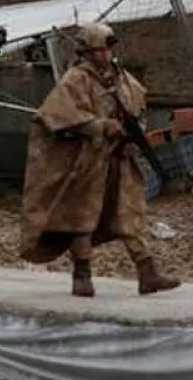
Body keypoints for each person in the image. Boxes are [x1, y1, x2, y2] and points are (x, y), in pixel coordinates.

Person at [19, 22, 181, 297]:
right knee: (82, 217)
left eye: (108, 49)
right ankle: (82, 275)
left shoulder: (120, 77)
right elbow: (57, 115)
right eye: (100, 50)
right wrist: (101, 126)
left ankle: (147, 272)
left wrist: (134, 134)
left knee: (129, 212)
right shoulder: (76, 79)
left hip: (120, 157)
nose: (106, 55)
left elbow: (137, 105)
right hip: (88, 160)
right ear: (87, 52)